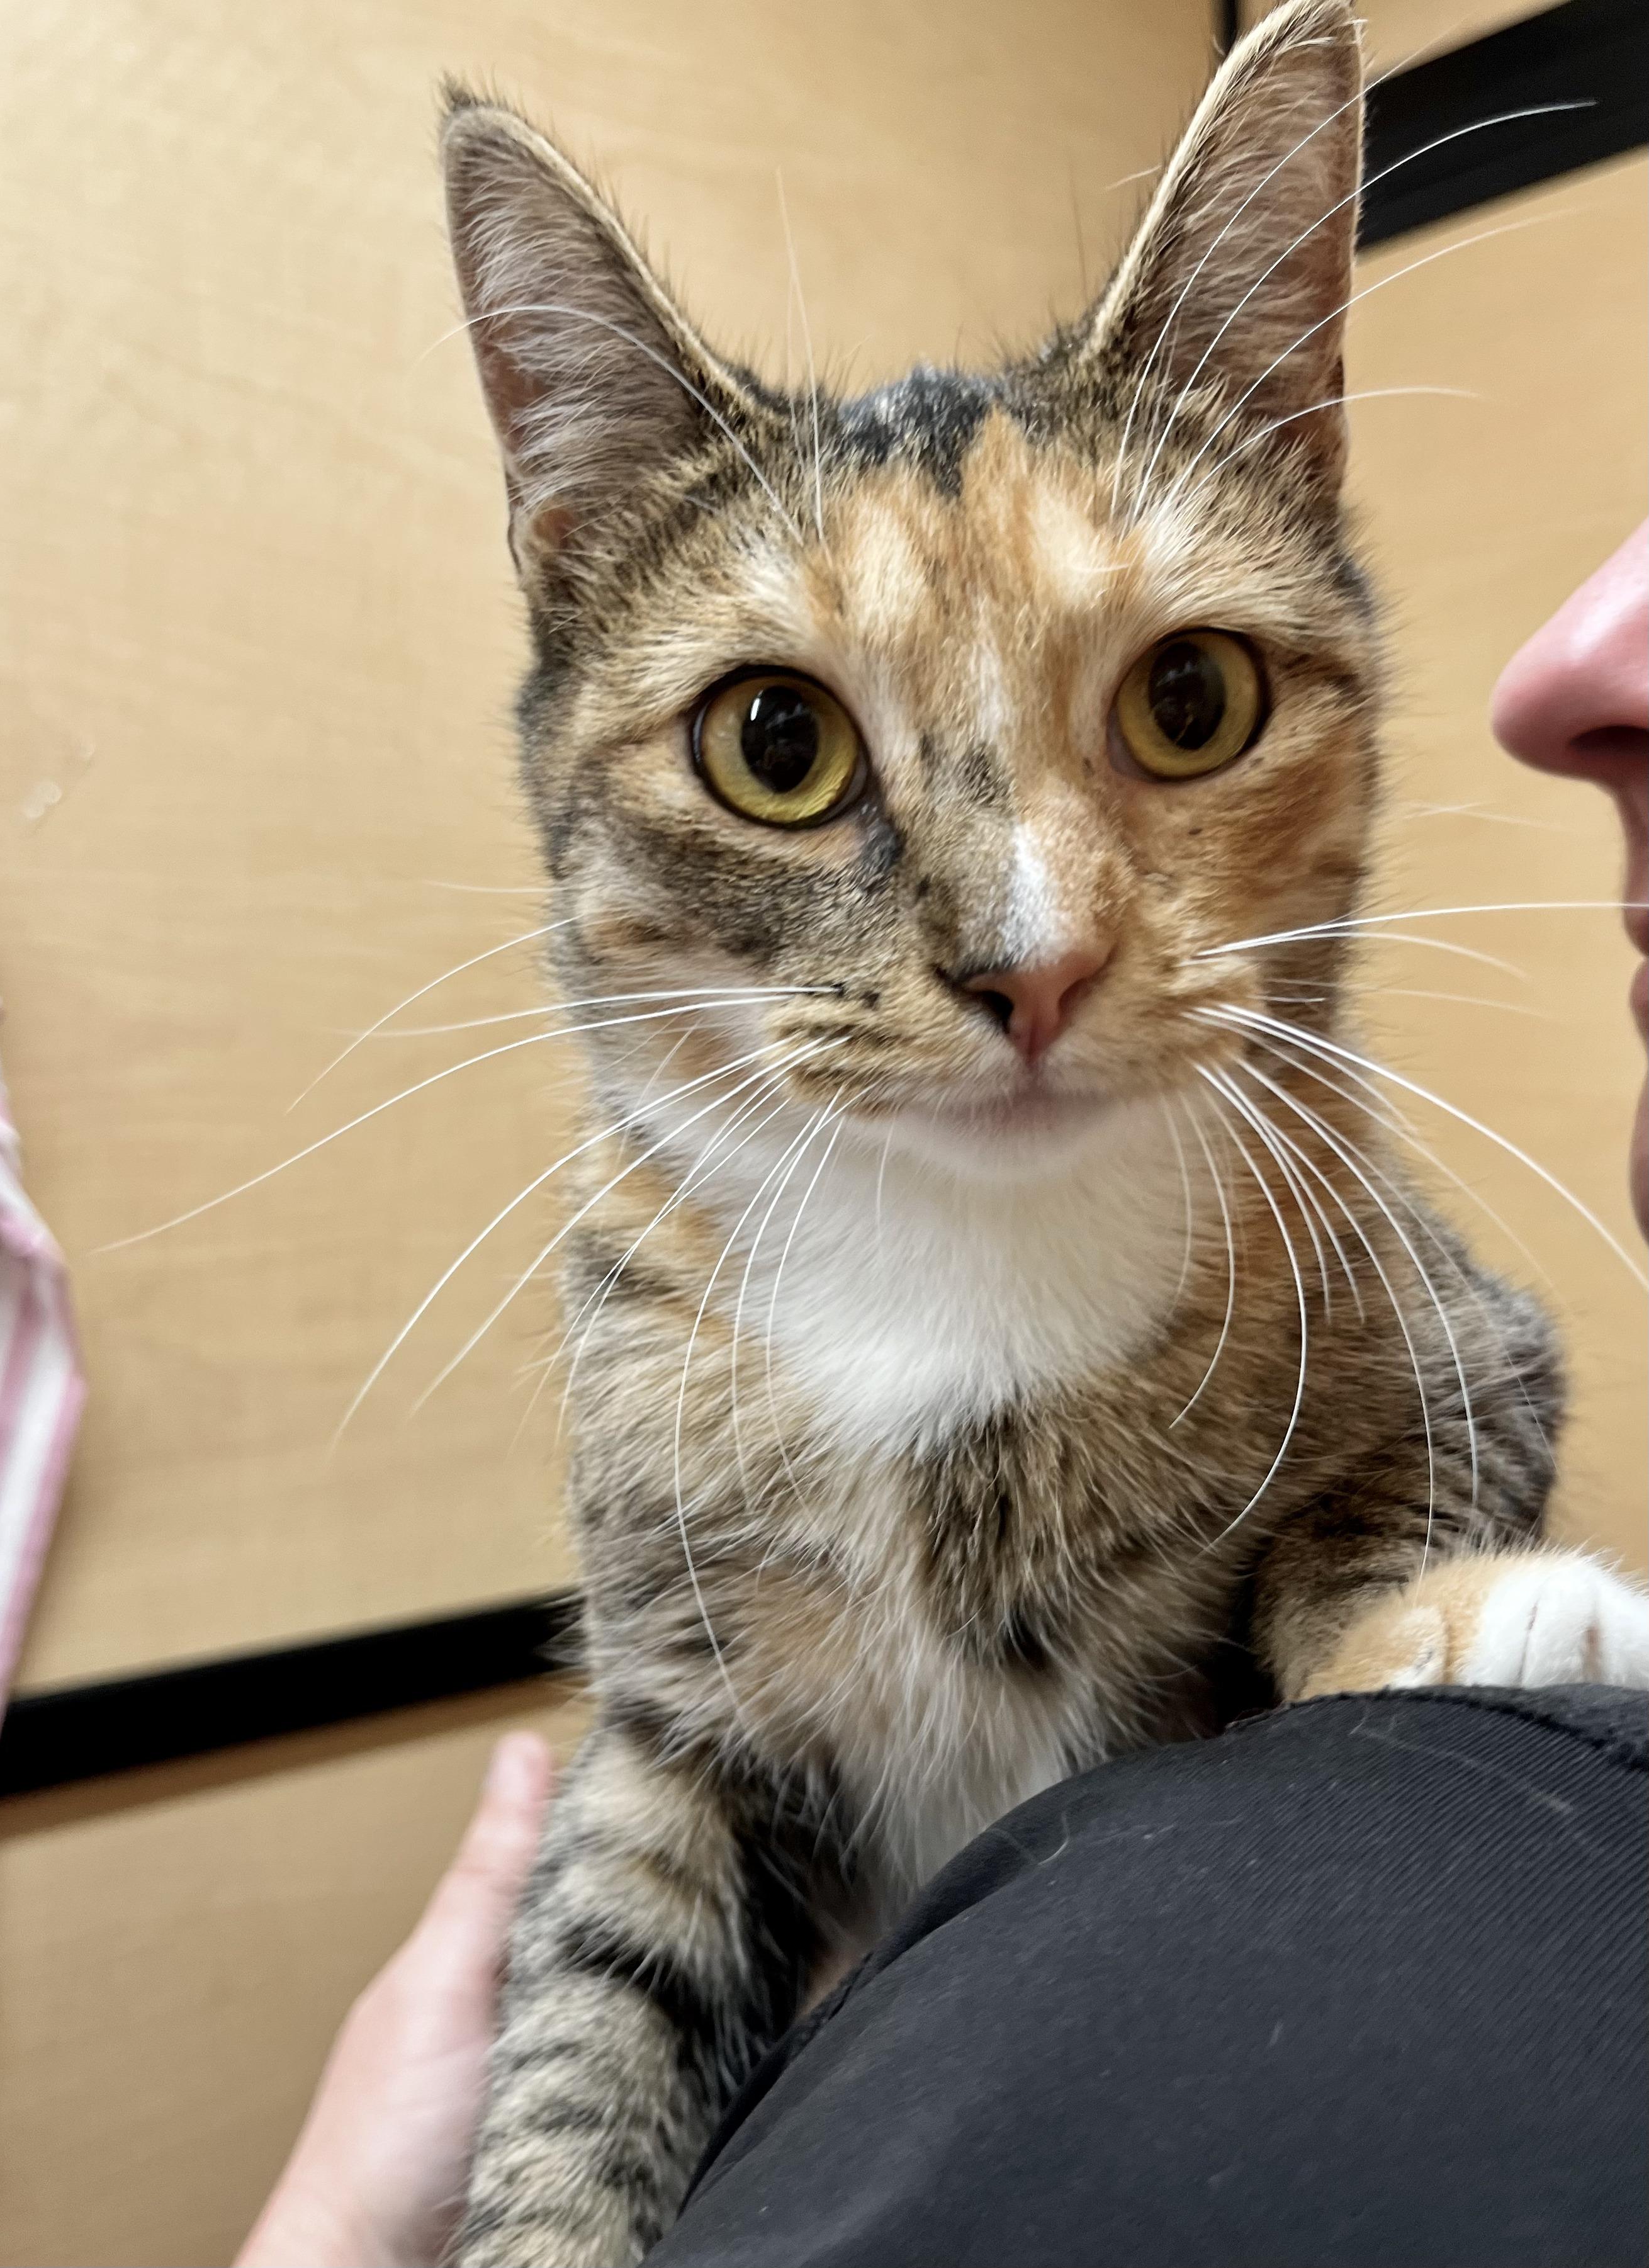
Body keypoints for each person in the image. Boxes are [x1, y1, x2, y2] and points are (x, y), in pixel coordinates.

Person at [239, 528, 1649, 2268]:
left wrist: (1360, 1583)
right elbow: (684, 1826)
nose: (1026, 939)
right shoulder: (659, 1309)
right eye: (784, 745)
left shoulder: (1311, 1228)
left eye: (1181, 706)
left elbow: (1485, 1362)